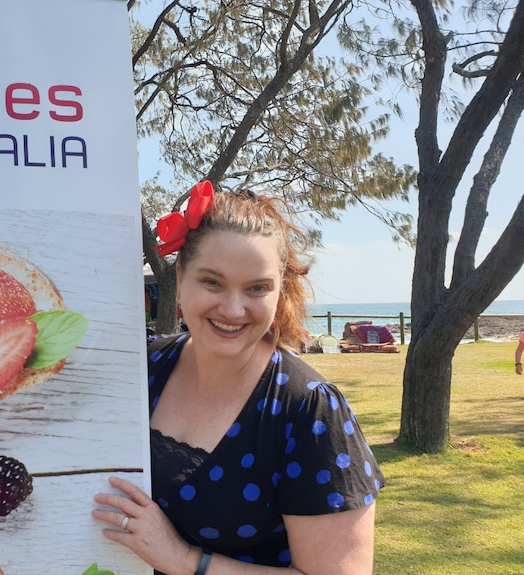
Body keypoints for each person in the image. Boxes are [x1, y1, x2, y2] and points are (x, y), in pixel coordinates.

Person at [93, 181, 384, 574]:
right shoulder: (141, 367)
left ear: (279, 292)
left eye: (257, 288)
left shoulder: (308, 410)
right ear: (180, 279)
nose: (232, 309)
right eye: (211, 281)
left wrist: (184, 560)